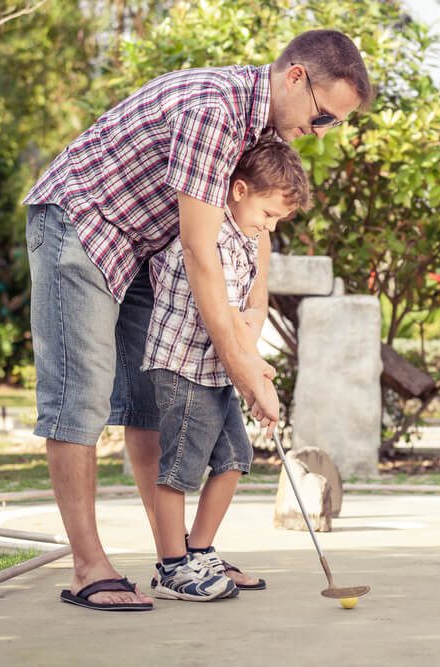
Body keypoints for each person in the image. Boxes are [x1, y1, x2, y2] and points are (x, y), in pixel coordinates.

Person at [24, 29, 373, 611]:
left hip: (142, 248)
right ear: (295, 77)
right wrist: (238, 365)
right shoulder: (213, 110)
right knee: (78, 396)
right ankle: (89, 567)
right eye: (323, 118)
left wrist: (250, 344)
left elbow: (254, 240)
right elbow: (200, 247)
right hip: (81, 223)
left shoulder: (260, 128)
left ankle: (175, 559)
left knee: (146, 402)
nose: (320, 133)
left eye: (333, 125)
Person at [144, 141, 310, 601]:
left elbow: (250, 310)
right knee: (179, 469)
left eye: (278, 220)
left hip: (217, 370)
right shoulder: (208, 234)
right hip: (183, 365)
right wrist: (257, 376)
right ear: (239, 190)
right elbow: (222, 315)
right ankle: (171, 567)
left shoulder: (249, 238)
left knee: (236, 457)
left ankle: (199, 552)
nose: (270, 226)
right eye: (267, 213)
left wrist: (250, 361)